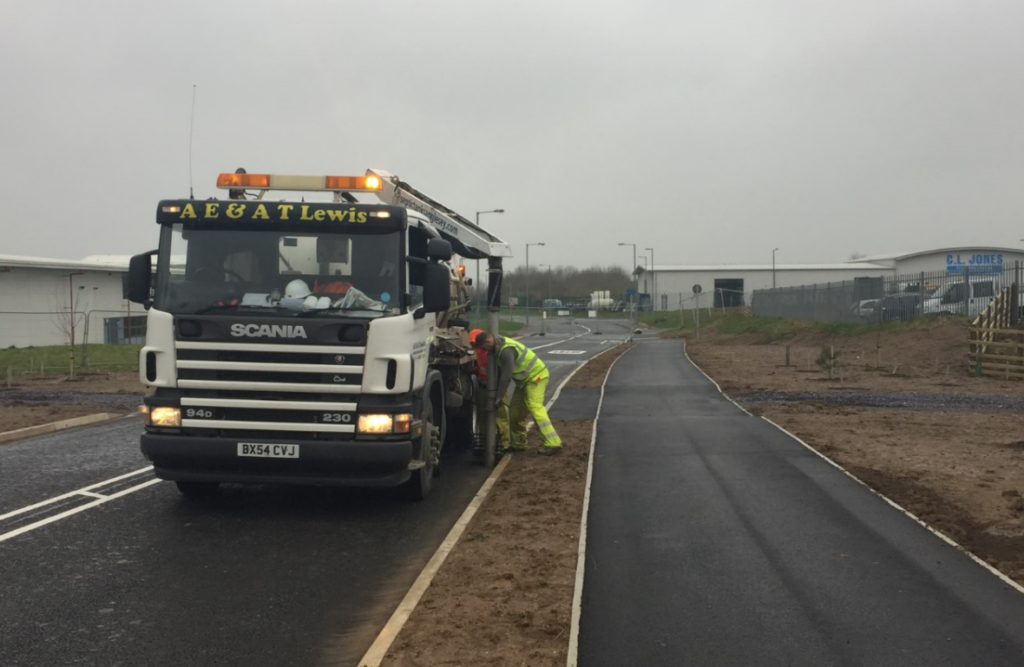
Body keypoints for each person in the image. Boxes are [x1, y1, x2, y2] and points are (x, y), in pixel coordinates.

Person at [474, 332, 562, 455]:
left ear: (488, 342)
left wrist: (499, 397)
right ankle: (519, 444)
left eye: (484, 348)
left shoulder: (505, 351)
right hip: (524, 381)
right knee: (515, 412)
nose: (485, 351)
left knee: (534, 407)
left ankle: (553, 443)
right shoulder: (498, 349)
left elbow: (506, 377)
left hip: (536, 377)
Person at [470, 329, 510, 450]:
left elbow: (503, 374)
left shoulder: (494, 352)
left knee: (500, 416)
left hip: (497, 388)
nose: (478, 347)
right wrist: (476, 370)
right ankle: (485, 443)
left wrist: (499, 394)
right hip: (483, 386)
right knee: (483, 416)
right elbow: (481, 368)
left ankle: (503, 443)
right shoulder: (479, 350)